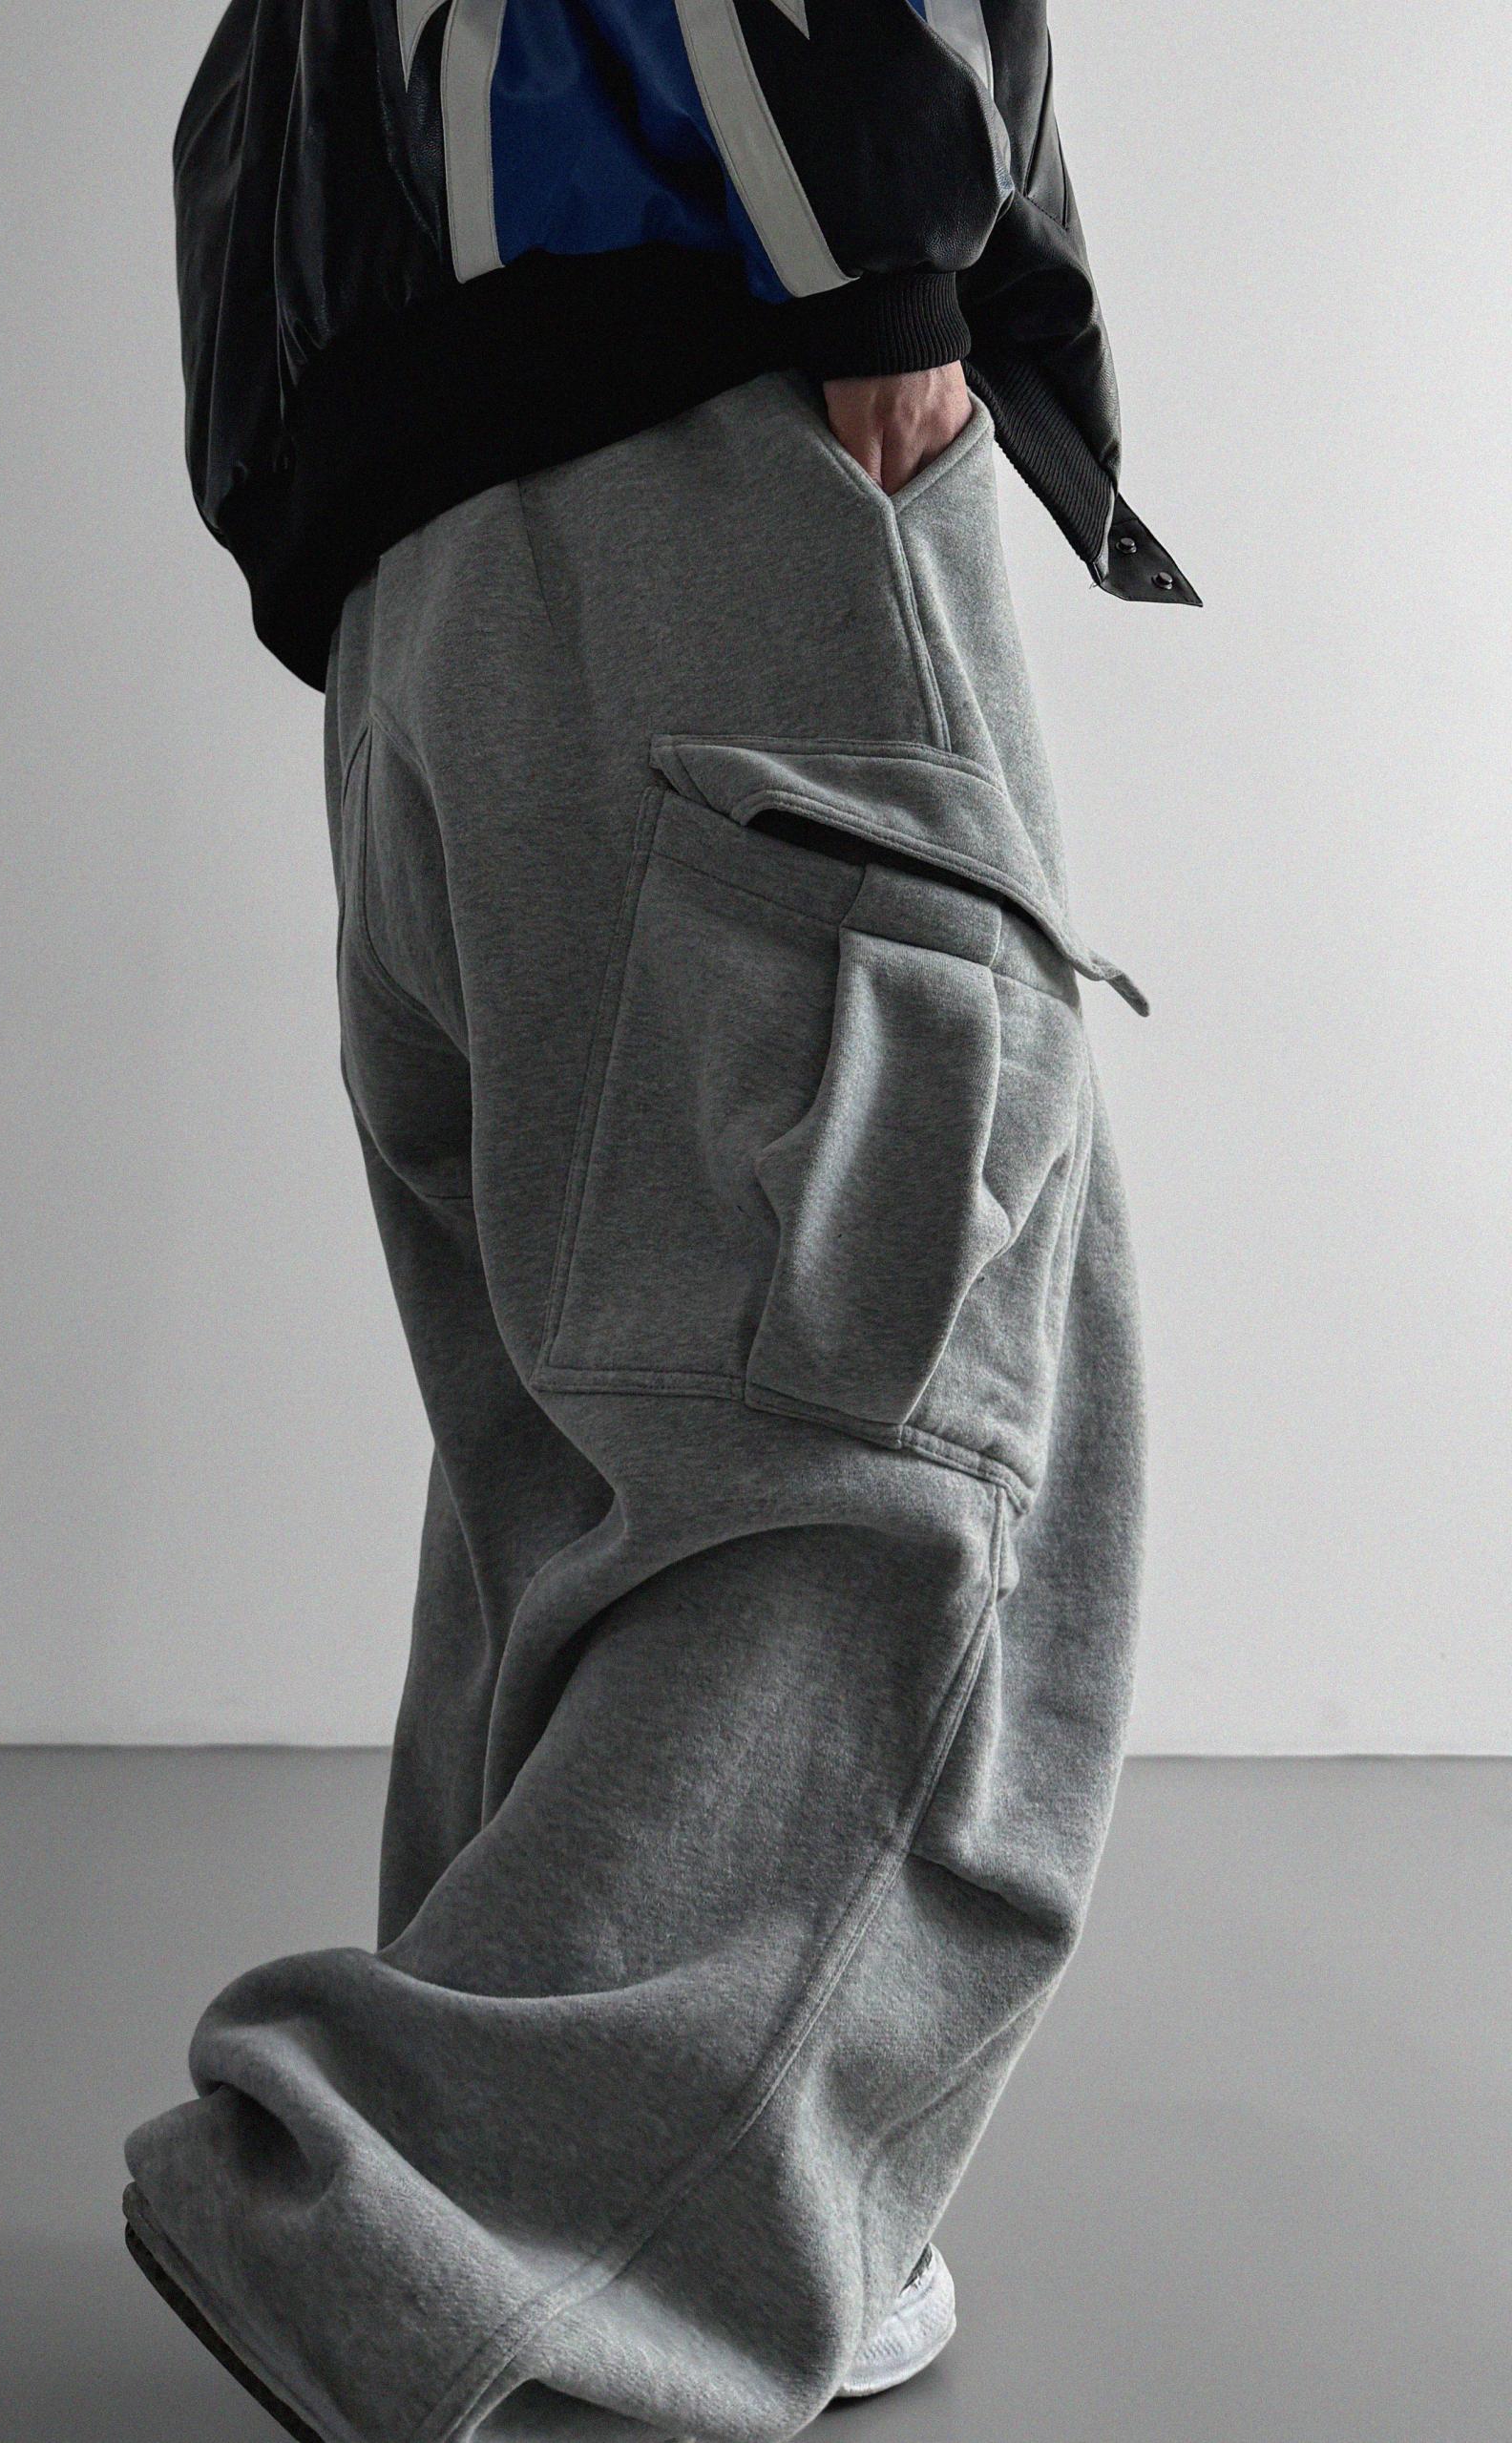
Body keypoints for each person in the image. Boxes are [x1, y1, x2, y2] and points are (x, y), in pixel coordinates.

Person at [123, 6, 1194, 2438]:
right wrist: (884, 267)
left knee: (594, 1428)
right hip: (730, 417)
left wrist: (361, 501)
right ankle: (454, 2221)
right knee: (895, 1412)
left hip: (424, 548)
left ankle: (533, 2177)